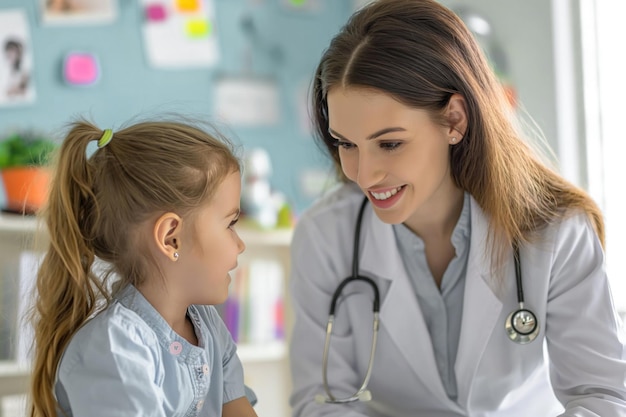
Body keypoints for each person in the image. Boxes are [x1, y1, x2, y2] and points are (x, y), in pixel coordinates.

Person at [288, 0, 626, 416]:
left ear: (454, 120)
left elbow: (602, 397)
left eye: (390, 143)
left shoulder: (555, 230)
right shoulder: (325, 237)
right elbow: (320, 401)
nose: (365, 174)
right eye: (346, 144)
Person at [28, 119, 258, 417]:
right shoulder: (115, 348)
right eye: (231, 224)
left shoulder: (209, 328)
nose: (240, 245)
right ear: (170, 238)